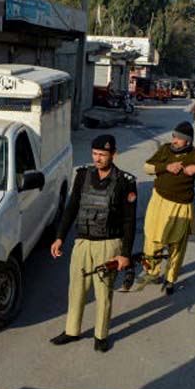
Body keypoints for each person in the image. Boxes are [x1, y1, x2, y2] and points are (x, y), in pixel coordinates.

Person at [49, 135, 136, 353]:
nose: (98, 159)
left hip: (108, 245)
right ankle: (72, 330)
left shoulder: (125, 182)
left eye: (103, 155)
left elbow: (129, 221)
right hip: (82, 243)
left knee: (103, 292)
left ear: (113, 155)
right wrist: (60, 236)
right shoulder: (83, 176)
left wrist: (125, 254)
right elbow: (71, 208)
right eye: (95, 154)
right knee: (76, 288)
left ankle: (101, 335)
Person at [138, 121, 195, 295]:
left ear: (188, 141)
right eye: (174, 136)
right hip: (158, 202)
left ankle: (170, 279)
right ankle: (151, 272)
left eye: (179, 138)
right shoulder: (165, 149)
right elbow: (147, 167)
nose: (175, 140)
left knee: (177, 245)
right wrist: (165, 167)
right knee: (152, 239)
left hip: (181, 206)